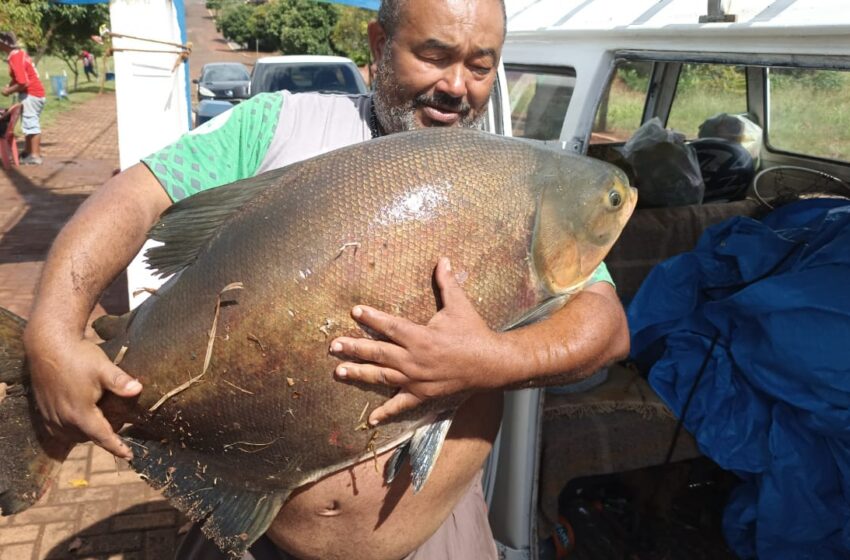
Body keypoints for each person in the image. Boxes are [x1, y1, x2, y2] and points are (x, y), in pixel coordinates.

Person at [22, 0, 629, 558]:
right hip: (259, 538)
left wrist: (489, 360)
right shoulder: (275, 125)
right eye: (434, 55)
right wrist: (52, 333)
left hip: (439, 538)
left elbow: (605, 328)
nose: (455, 86)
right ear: (378, 43)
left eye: (480, 65)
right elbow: (128, 198)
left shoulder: (521, 185)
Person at [0, 31, 46, 165]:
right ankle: (28, 152)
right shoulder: (19, 54)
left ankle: (35, 155)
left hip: (32, 94)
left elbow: (23, 82)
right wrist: (10, 84)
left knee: (31, 124)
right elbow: (19, 77)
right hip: (34, 94)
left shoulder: (15, 58)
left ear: (3, 43)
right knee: (28, 123)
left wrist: (8, 90)